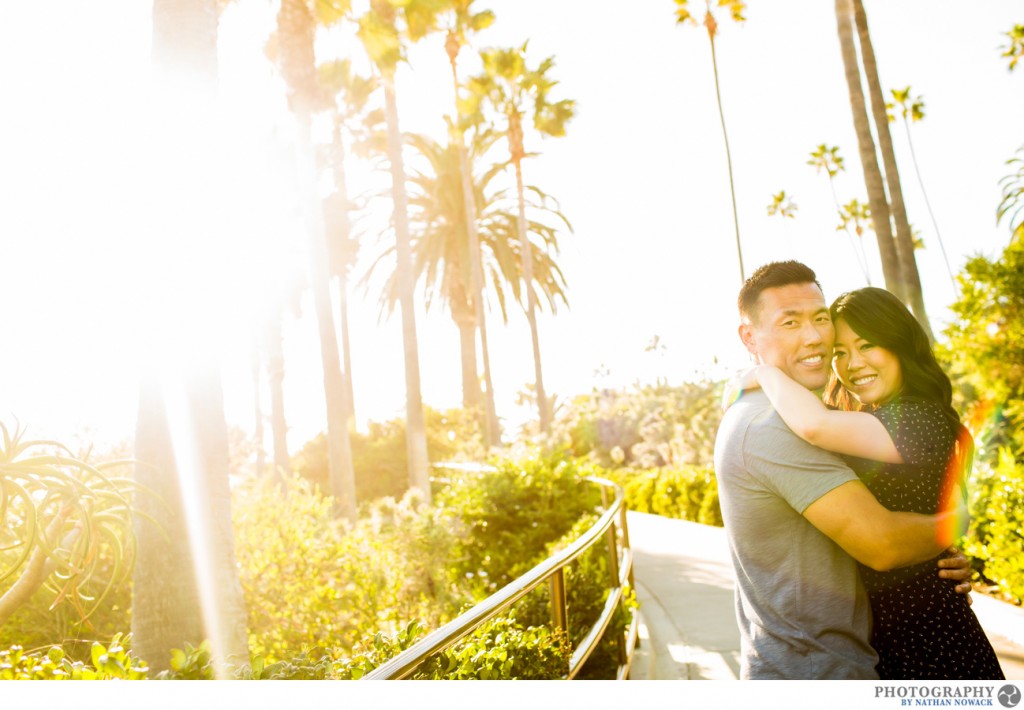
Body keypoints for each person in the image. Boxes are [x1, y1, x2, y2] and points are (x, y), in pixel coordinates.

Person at [714, 261, 973, 680]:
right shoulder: (772, 425)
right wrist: (950, 526)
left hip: (918, 641)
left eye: (820, 319)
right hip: (816, 670)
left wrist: (952, 528)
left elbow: (819, 425)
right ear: (750, 336)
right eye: (790, 322)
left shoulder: (908, 419)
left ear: (901, 346)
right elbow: (883, 545)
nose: (814, 336)